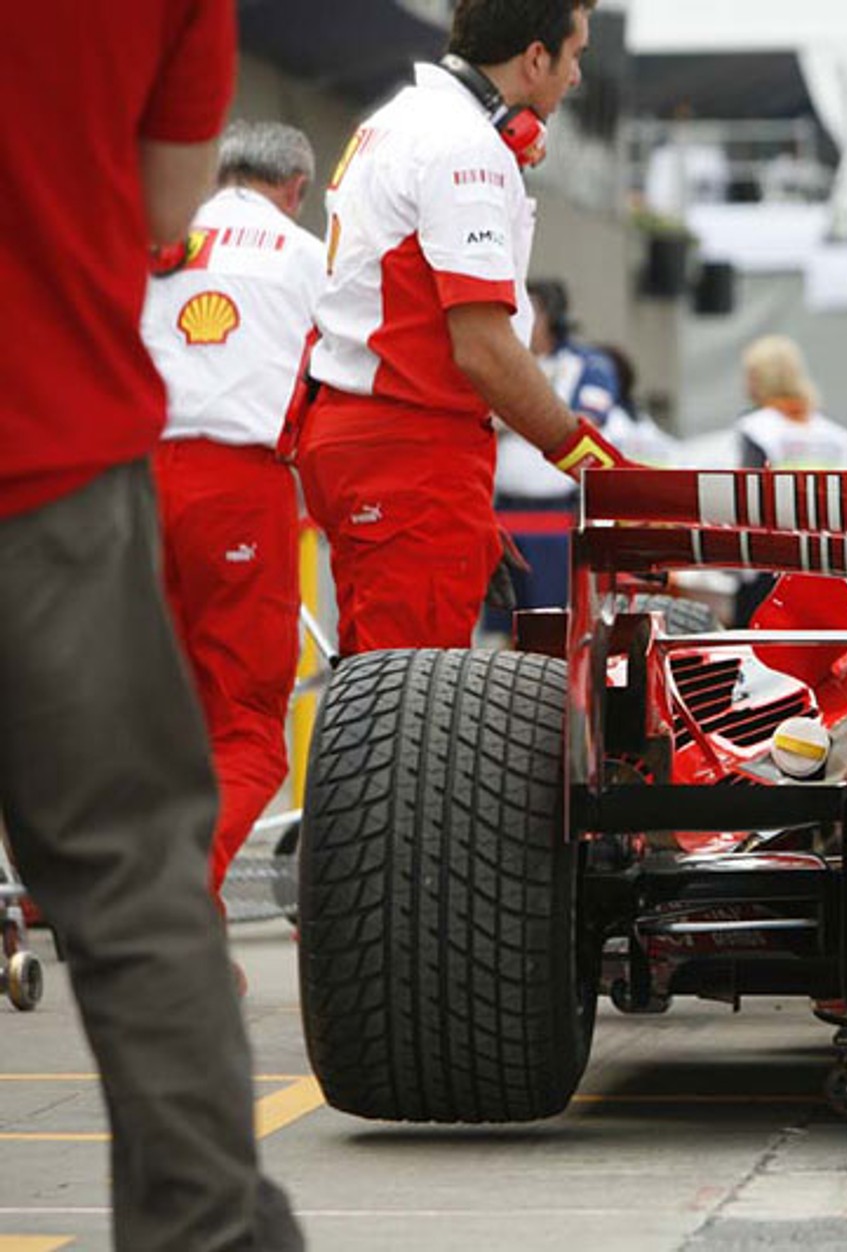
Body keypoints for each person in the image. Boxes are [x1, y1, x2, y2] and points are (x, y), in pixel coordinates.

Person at [0, 1, 302, 1245]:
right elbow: (153, 213)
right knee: (143, 863)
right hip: (55, 454)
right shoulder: (287, 243)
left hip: (130, 463)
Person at [299, 0, 635, 656]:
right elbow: (481, 347)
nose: (576, 79)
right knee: (408, 716)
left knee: (387, 686)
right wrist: (591, 461)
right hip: (407, 450)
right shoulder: (465, 149)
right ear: (536, 58)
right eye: (576, 57)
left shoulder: (404, 121)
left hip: (383, 442)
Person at [142, 121, 324, 916]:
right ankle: (179, 897)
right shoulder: (307, 256)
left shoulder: (155, 240)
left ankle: (141, 903)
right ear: (297, 189)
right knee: (249, 723)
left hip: (129, 482)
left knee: (147, 708)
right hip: (238, 484)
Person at [488, 278, 622, 625]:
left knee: (552, 623)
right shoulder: (493, 361)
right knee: (503, 623)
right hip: (501, 511)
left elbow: (587, 420)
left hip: (557, 516)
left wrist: (513, 417)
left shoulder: (588, 364)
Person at [730, 335, 847, 624]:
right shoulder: (837, 437)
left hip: (768, 564)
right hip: (823, 565)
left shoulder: (757, 428)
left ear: (762, 379)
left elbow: (745, 496)